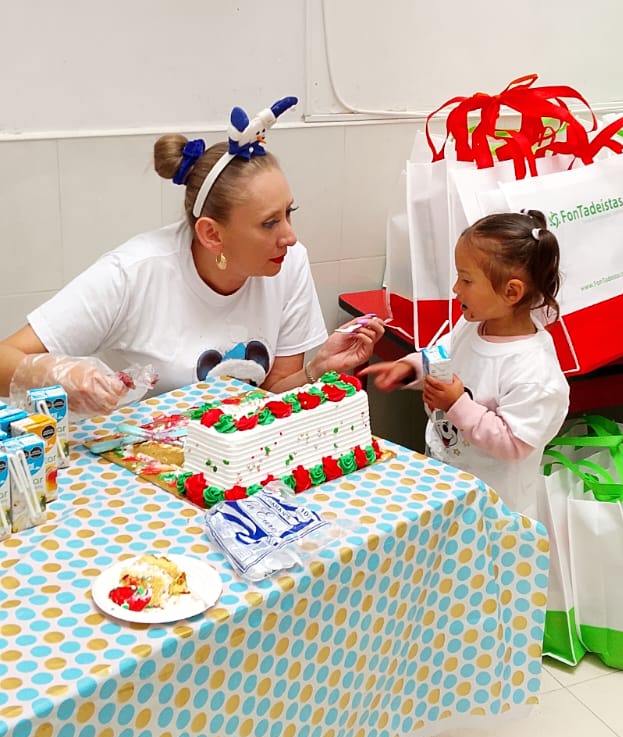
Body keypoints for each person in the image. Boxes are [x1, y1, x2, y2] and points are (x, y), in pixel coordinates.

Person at [0, 102, 384, 416]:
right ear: (212, 234)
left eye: (289, 213)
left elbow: (270, 396)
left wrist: (317, 369)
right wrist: (57, 374)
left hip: (231, 460)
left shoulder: (288, 263)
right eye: (269, 223)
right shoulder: (134, 274)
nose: (290, 236)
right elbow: (3, 359)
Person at [365, 210, 570, 517]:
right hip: (444, 482)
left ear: (511, 292)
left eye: (466, 279)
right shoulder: (473, 326)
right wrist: (411, 369)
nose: (456, 289)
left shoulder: (534, 372)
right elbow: (442, 356)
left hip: (492, 510)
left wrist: (456, 404)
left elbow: (513, 444)